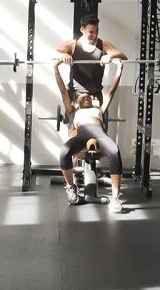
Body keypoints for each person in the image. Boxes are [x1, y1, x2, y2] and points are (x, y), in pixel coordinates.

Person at [54, 57, 124, 211]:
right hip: (82, 134)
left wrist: (119, 69)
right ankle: (71, 188)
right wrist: (56, 68)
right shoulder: (73, 111)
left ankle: (115, 198)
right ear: (75, 101)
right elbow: (63, 91)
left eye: (89, 96)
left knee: (115, 152)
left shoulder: (100, 109)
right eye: (82, 96)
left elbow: (111, 90)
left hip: (99, 133)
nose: (87, 96)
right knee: (64, 151)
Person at [55, 13, 127, 110]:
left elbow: (123, 56)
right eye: (91, 32)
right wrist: (64, 55)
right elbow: (53, 52)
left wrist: (110, 56)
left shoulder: (104, 45)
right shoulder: (73, 45)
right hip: (75, 94)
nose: (95, 34)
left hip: (95, 95)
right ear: (82, 30)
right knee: (74, 123)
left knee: (97, 121)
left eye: (97, 31)